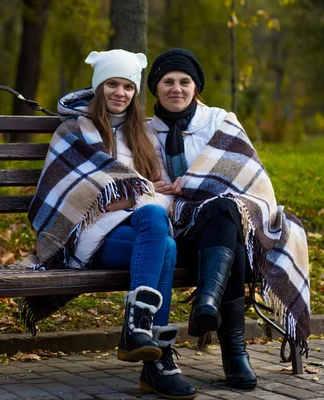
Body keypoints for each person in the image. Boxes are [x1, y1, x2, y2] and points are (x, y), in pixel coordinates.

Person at [26, 49, 196, 400]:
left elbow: (153, 192)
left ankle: (139, 333)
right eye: (112, 84)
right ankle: (158, 359)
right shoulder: (74, 131)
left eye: (128, 87)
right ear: (99, 87)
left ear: (135, 94)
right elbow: (73, 195)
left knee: (163, 237)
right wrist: (134, 192)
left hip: (139, 235)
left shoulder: (143, 136)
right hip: (88, 238)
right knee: (158, 232)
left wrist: (132, 193)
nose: (120, 93)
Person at [147, 48, 311, 390]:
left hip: (219, 228)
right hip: (173, 231)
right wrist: (160, 187)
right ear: (156, 88)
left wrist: (193, 185)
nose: (176, 88)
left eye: (184, 81)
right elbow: (141, 183)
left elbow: (244, 176)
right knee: (229, 232)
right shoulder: (144, 132)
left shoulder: (220, 121)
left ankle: (209, 305)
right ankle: (233, 352)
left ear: (196, 87)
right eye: (168, 82)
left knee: (224, 208)